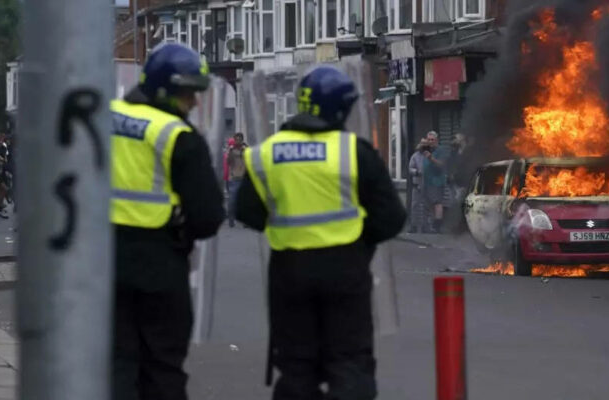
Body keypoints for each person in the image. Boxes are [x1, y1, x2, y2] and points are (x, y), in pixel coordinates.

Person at [235, 65, 406, 400]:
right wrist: (360, 240)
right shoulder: (354, 151)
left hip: (289, 273)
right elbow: (391, 217)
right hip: (346, 270)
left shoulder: (265, 154)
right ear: (340, 109)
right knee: (349, 363)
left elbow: (247, 213)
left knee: (297, 367)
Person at [109, 43, 224, 400]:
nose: (195, 103)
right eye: (188, 93)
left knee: (113, 363)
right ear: (165, 89)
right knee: (161, 367)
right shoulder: (177, 136)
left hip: (99, 262)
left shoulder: (100, 115)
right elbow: (207, 218)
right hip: (159, 264)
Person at [422, 131, 450, 233]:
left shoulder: (440, 150)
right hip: (427, 181)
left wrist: (431, 158)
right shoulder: (427, 149)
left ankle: (438, 226)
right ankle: (433, 225)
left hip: (437, 181)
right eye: (428, 139)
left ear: (437, 140)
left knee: (437, 203)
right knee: (430, 204)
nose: (430, 142)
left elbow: (441, 164)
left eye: (432, 140)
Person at [408, 137, 429, 233]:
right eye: (422, 144)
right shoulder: (415, 156)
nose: (423, 146)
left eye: (425, 144)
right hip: (417, 184)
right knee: (415, 206)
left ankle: (425, 226)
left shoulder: (429, 156)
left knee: (426, 206)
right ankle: (413, 226)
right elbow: (410, 168)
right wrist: (416, 172)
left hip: (427, 184)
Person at [226, 133, 247, 227]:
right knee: (232, 200)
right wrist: (230, 151)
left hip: (244, 178)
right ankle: (231, 219)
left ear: (242, 140)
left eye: (240, 139)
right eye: (236, 139)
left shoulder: (246, 149)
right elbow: (228, 162)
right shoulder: (231, 150)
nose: (238, 141)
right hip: (234, 178)